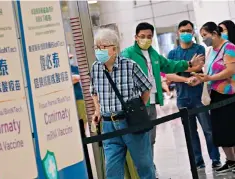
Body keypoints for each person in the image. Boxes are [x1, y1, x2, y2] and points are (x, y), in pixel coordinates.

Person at [121, 22, 204, 177]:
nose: (146, 39)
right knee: (139, 141)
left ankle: (149, 170)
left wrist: (189, 63)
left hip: (151, 102)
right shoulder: (127, 54)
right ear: (135, 37)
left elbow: (169, 65)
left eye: (149, 37)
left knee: (150, 140)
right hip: (136, 104)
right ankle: (144, 172)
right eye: (142, 37)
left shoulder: (153, 54)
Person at [90, 28, 155, 179]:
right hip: (109, 125)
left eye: (102, 47)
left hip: (130, 122)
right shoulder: (95, 68)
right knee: (112, 170)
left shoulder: (130, 66)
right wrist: (98, 111)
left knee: (144, 166)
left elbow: (146, 88)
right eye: (96, 47)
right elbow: (93, 91)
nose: (99, 50)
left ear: (114, 48)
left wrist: (137, 109)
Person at [166, 20, 221, 170]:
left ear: (193, 32)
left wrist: (181, 69)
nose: (186, 33)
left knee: (208, 130)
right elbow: (169, 75)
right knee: (190, 133)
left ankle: (215, 158)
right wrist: (186, 76)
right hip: (182, 98)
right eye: (183, 31)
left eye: (188, 31)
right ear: (178, 33)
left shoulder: (200, 49)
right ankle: (198, 161)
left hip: (199, 96)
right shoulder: (172, 53)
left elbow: (199, 66)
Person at [194, 22, 235, 174]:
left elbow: (230, 70)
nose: (204, 39)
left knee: (229, 128)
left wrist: (210, 77)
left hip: (228, 94)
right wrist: (200, 78)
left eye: (205, 35)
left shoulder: (229, 47)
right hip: (215, 95)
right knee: (220, 130)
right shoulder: (210, 50)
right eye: (202, 36)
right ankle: (230, 160)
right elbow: (208, 73)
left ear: (215, 33)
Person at [69, 54, 88, 131]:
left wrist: (72, 79)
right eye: (69, 58)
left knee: (83, 118)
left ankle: (84, 135)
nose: (71, 59)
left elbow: (79, 78)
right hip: (69, 99)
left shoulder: (75, 68)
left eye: (71, 58)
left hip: (79, 97)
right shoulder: (64, 70)